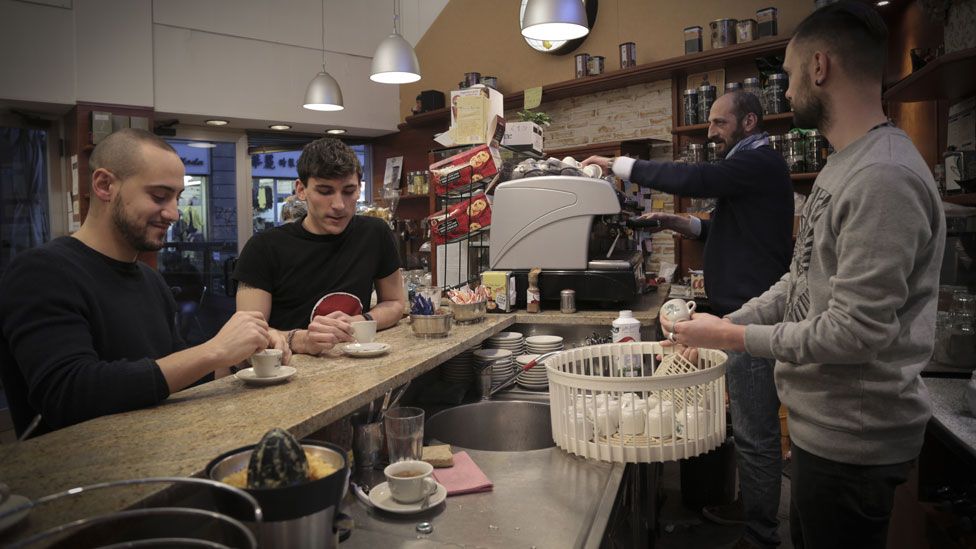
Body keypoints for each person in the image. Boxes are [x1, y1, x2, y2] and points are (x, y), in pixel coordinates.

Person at [665, 3, 946, 548]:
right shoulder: (843, 164)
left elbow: (854, 332)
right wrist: (721, 327)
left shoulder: (882, 176)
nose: (787, 93)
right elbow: (798, 281)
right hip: (825, 430)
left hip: (855, 442)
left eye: (790, 76)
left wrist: (734, 337)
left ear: (820, 67)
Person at [583, 90, 793, 548]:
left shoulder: (758, 161)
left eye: (720, 123)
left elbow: (696, 178)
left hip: (751, 318)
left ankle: (761, 536)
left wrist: (620, 165)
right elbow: (726, 229)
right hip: (740, 312)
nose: (711, 131)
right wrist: (676, 223)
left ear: (749, 122)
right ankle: (751, 509)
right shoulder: (751, 166)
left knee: (756, 434)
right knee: (749, 427)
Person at [0, 128, 280, 438]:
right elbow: (68, 393)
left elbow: (177, 376)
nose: (173, 213)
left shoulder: (150, 280)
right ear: (104, 185)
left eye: (177, 198)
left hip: (161, 450)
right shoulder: (42, 271)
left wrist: (237, 358)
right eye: (159, 196)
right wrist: (214, 350)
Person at [234, 138, 405, 355]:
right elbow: (246, 335)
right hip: (287, 370)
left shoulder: (375, 233)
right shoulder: (264, 248)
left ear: (359, 189)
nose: (339, 205)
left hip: (358, 365)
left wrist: (361, 321)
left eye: (349, 191)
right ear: (301, 190)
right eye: (325, 191)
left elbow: (394, 302)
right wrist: (300, 340)